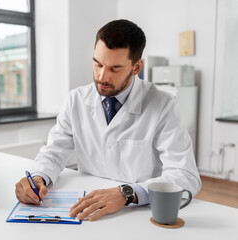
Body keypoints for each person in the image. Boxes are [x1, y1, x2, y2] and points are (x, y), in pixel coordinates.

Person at [15, 19, 201, 221]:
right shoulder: (76, 100)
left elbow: (185, 176)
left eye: (115, 68)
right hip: (88, 209)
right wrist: (37, 177)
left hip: (138, 213)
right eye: (98, 64)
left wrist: (127, 193)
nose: (102, 76)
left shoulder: (164, 105)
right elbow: (54, 152)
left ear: (137, 67)